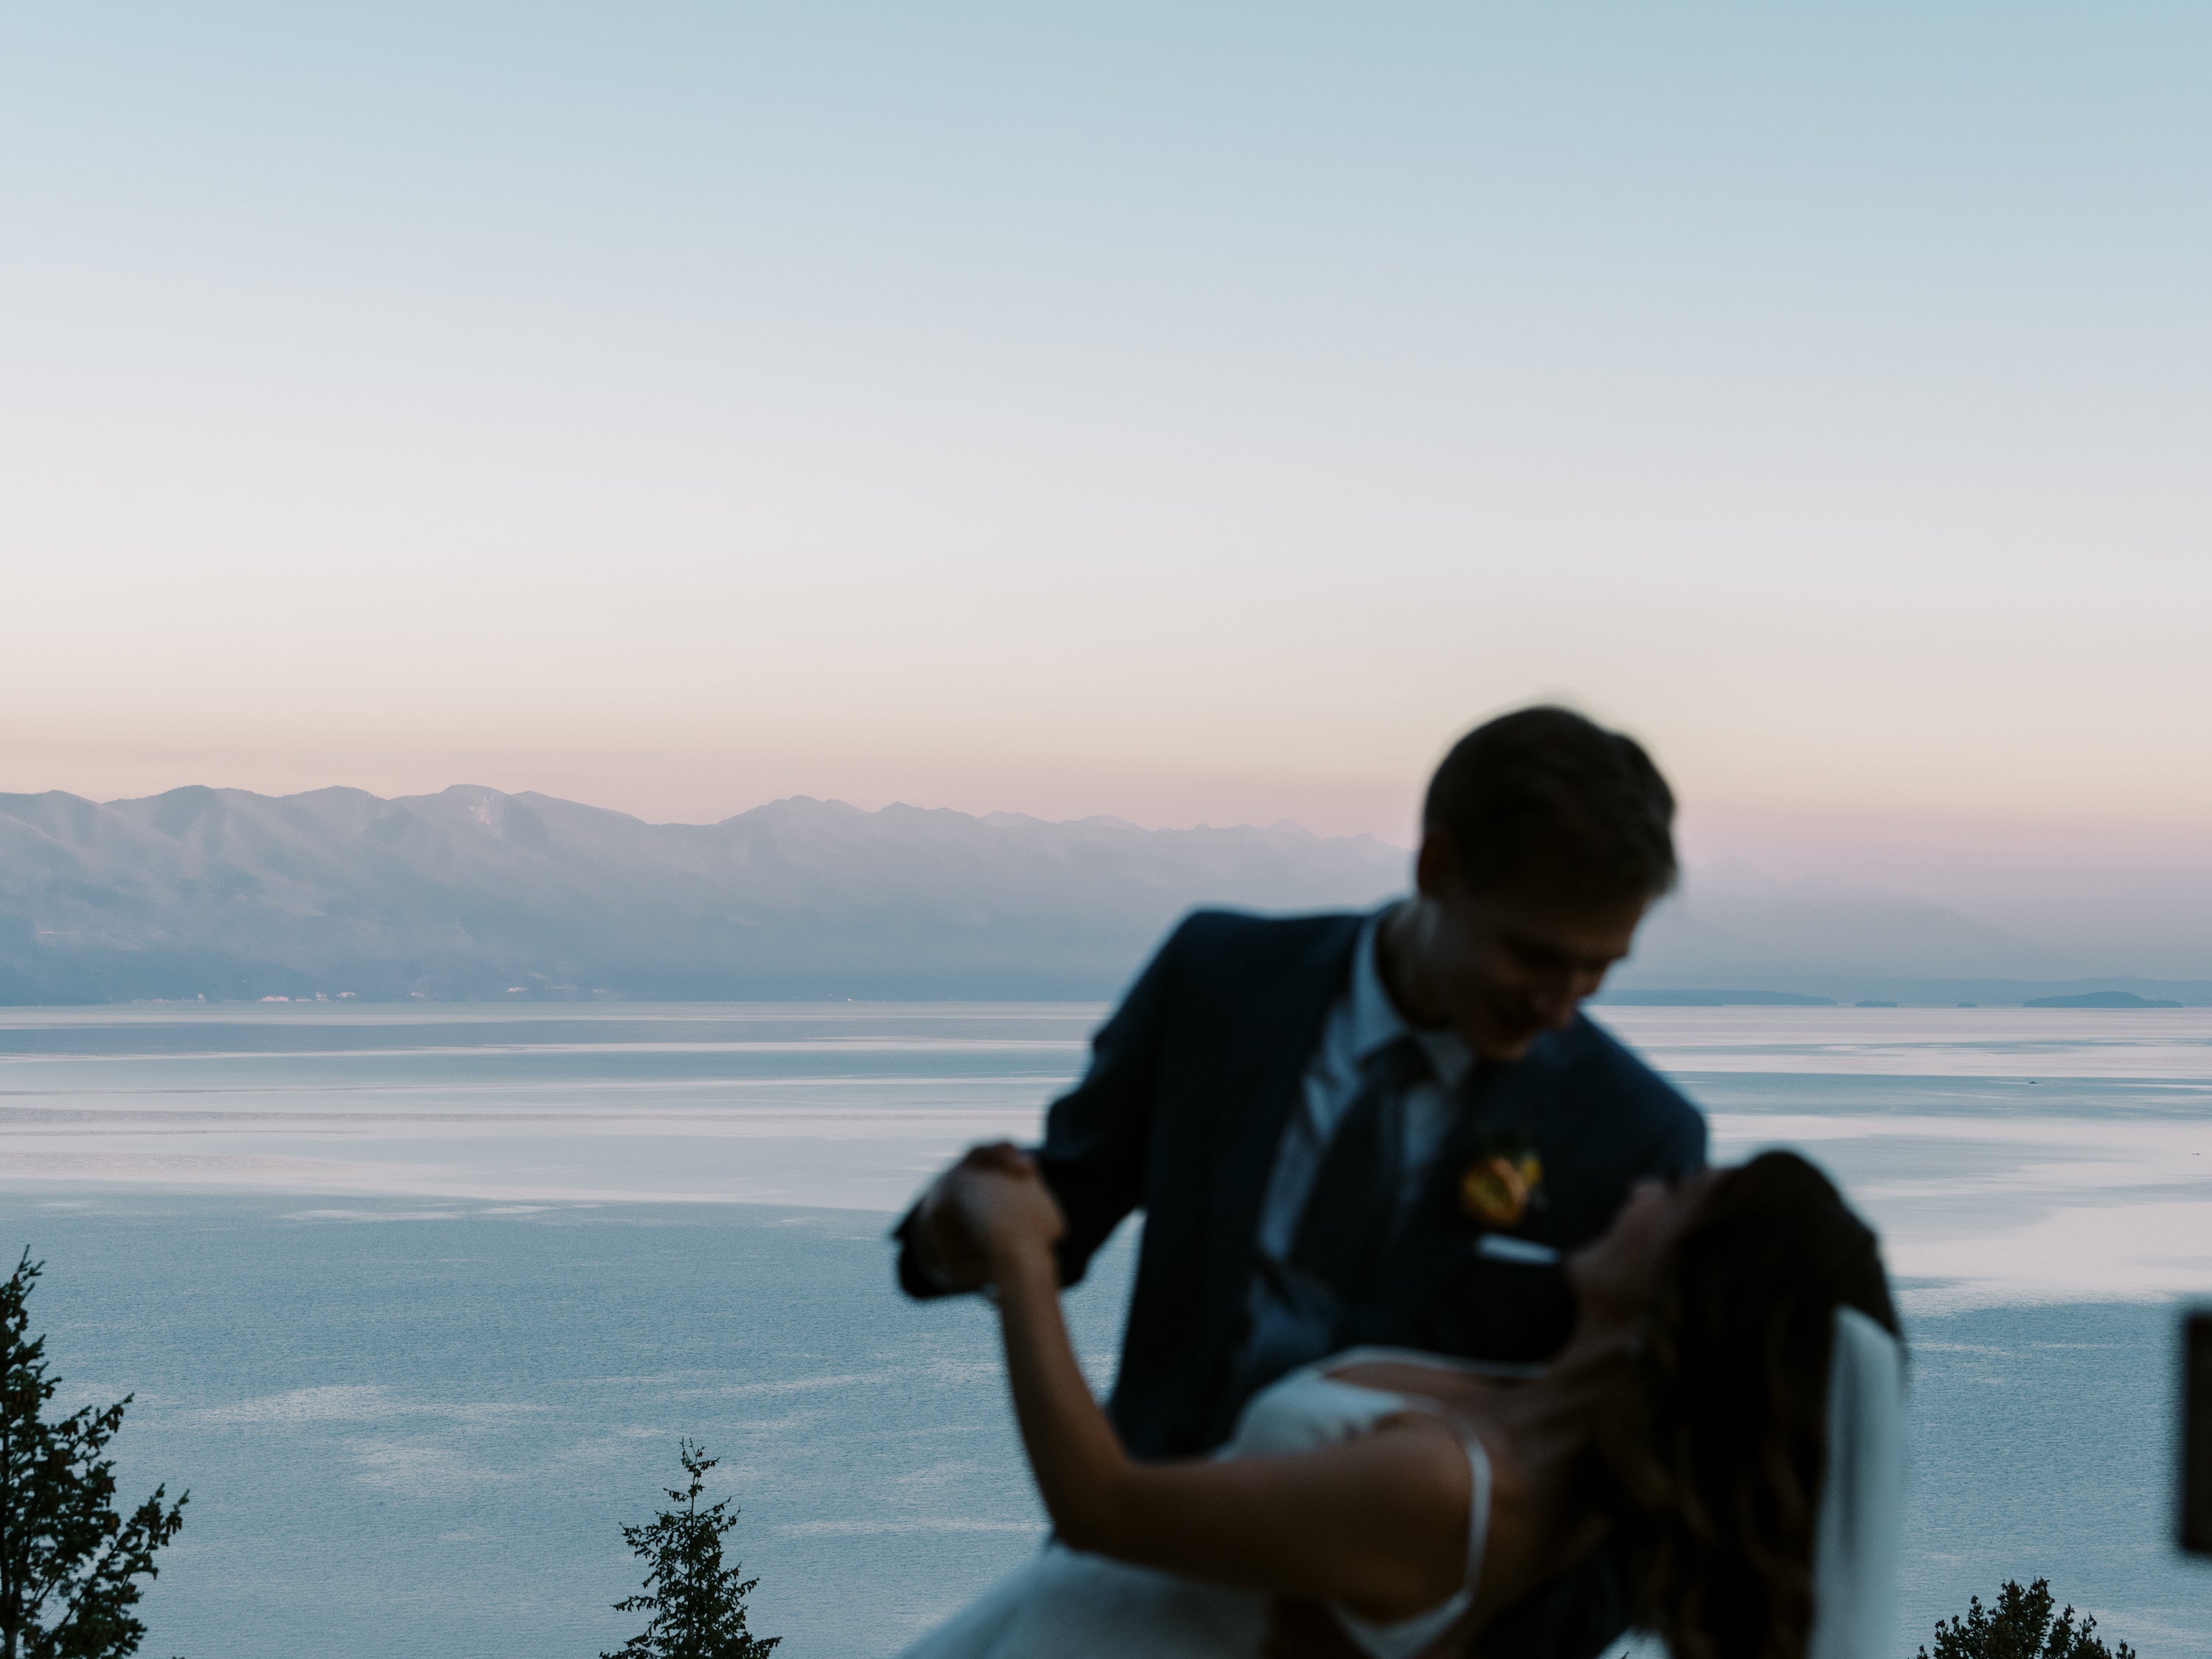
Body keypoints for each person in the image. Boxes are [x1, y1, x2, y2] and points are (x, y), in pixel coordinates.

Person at [894, 706, 1705, 1657]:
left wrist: (1431, 1633)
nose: (1561, 1008)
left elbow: (1622, 1504)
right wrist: (959, 1226)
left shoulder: (1638, 1134)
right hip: (1125, 1592)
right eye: (1533, 955)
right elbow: (1064, 1202)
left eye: (1597, 971)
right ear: (1437, 868)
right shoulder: (1220, 981)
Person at [897, 1148, 1906, 1659]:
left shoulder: (1455, 1493)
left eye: (1679, 1192)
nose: (1643, 1186)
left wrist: (1023, 1256)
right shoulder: (1529, 1407)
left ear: (1685, 1286)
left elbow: (1101, 1504)